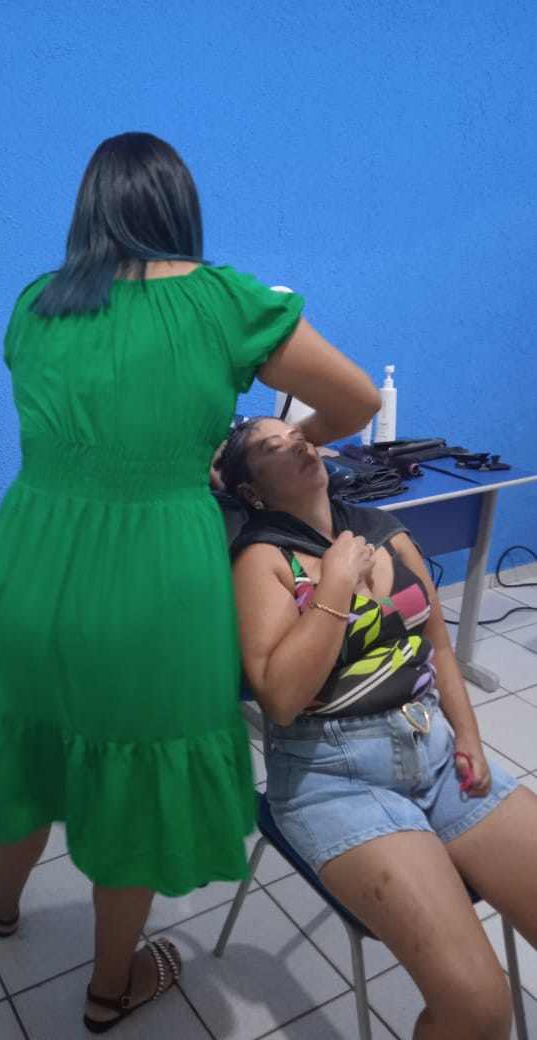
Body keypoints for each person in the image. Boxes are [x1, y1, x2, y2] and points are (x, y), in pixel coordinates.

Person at [0, 131, 381, 1034]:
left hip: (30, 558)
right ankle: (108, 989)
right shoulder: (228, 302)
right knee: (140, 771)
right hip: (154, 574)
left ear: (91, 209)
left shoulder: (36, 302)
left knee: (28, 742)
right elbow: (359, 400)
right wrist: (290, 439)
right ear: (179, 208)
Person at [220, 416, 537, 1040]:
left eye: (298, 434)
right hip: (332, 779)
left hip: (435, 752)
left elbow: (438, 646)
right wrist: (336, 582)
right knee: (477, 1007)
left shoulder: (383, 531)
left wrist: (468, 735)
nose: (297, 443)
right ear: (251, 489)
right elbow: (281, 700)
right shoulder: (262, 559)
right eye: (272, 446)